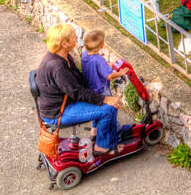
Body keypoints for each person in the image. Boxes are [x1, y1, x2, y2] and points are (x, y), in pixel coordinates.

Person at [36, 23, 127, 159]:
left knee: (103, 104)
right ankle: (103, 146)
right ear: (64, 44)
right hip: (58, 112)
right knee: (109, 108)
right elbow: (78, 92)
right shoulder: (58, 68)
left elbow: (77, 81)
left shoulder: (62, 56)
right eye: (73, 36)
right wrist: (105, 99)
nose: (76, 37)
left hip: (61, 103)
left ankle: (97, 134)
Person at [80, 29, 128, 95]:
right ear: (102, 46)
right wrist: (120, 73)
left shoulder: (84, 54)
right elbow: (109, 76)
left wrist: (103, 61)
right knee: (107, 102)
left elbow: (94, 65)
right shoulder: (99, 60)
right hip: (101, 90)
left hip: (89, 86)